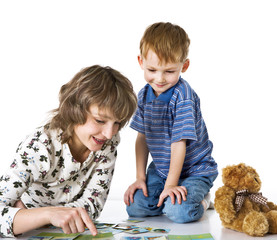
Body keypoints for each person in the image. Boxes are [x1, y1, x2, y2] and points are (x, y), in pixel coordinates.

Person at [0, 65, 137, 237]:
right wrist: (43, 216)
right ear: (75, 109)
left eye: (117, 123)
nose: (109, 133)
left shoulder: (108, 142)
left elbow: (93, 206)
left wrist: (56, 216)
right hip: (31, 225)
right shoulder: (40, 146)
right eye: (100, 120)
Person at [124, 22, 218, 223]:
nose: (159, 78)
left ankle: (203, 200)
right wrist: (140, 177)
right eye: (152, 69)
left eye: (169, 71)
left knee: (179, 212)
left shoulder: (182, 96)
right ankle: (164, 197)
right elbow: (142, 138)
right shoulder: (144, 95)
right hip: (162, 170)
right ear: (140, 62)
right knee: (136, 207)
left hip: (194, 171)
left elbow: (179, 143)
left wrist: (170, 186)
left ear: (183, 66)